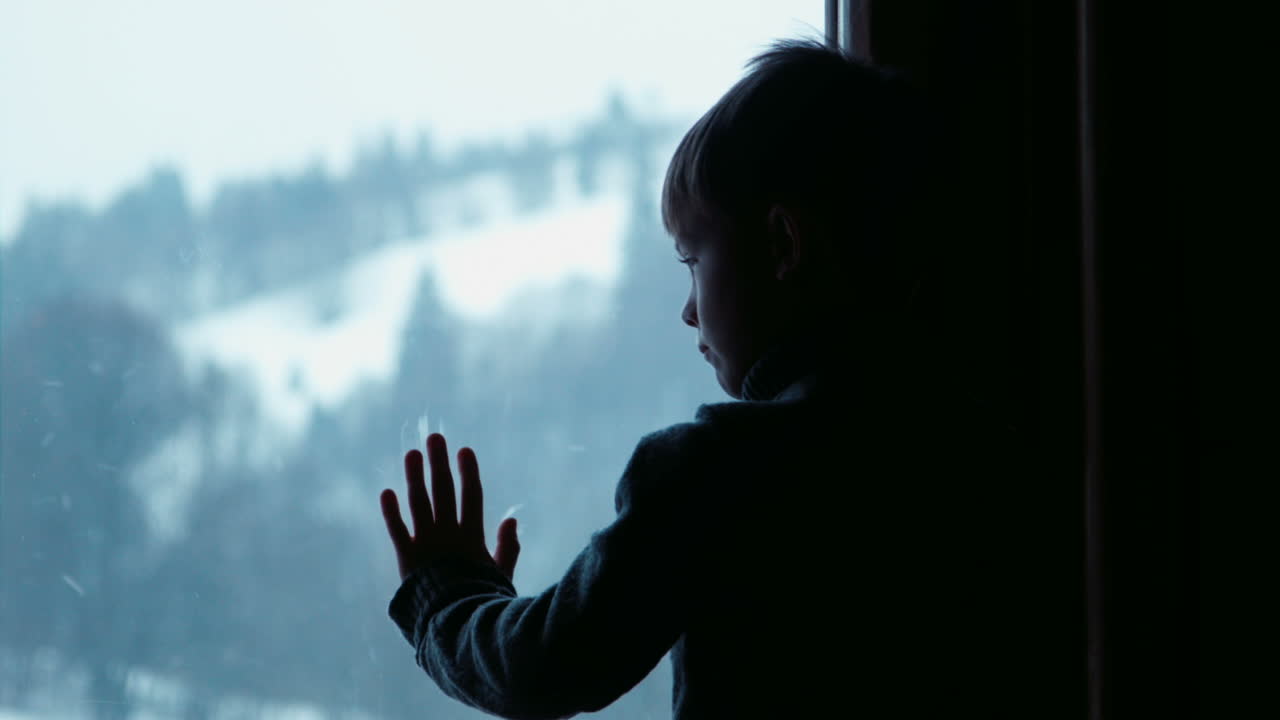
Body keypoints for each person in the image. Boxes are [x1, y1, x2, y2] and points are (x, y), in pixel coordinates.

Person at [380, 38, 1077, 718]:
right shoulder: (989, 448)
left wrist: (449, 594)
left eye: (693, 261)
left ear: (781, 245)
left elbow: (546, 667)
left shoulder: (721, 473)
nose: (688, 311)